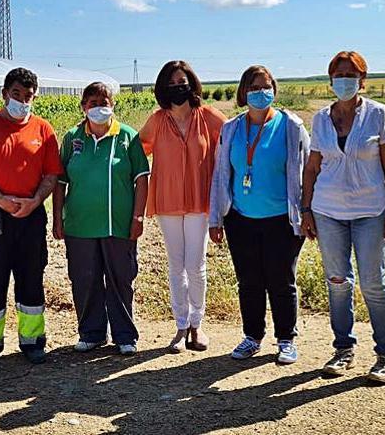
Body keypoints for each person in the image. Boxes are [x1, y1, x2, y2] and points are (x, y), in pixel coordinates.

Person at [300, 50, 385, 384]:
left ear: (362, 79)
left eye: (351, 74)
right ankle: (343, 349)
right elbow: (312, 167)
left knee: (374, 283)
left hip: (371, 210)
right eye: (338, 75)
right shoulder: (320, 119)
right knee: (338, 282)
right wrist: (306, 210)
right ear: (330, 80)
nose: (344, 80)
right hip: (328, 210)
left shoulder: (377, 114)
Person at [0, 67, 64, 367]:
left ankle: (32, 341)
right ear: (5, 93)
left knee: (31, 278)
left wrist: (35, 201)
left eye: (28, 96)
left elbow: (51, 174)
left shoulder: (43, 130)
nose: (22, 100)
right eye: (16, 94)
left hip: (30, 217)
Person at [208, 66, 311, 364]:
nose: (260, 92)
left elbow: (307, 172)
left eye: (266, 86)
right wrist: (216, 218)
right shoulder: (231, 129)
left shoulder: (291, 127)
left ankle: (286, 339)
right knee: (249, 281)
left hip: (282, 218)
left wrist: (306, 212)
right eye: (253, 87)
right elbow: (220, 175)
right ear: (243, 92)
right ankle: (252, 336)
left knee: (281, 279)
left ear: (274, 90)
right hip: (240, 218)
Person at [52, 82, 150, 356]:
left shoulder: (127, 137)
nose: (99, 107)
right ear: (83, 107)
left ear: (113, 104)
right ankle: (92, 333)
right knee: (84, 279)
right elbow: (60, 181)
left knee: (120, 279)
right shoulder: (72, 138)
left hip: (116, 224)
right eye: (92, 102)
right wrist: (57, 218)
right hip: (79, 225)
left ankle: (124, 335)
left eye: (104, 101)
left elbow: (142, 179)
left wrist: (138, 216)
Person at [139, 60, 226, 353]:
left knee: (196, 265)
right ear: (164, 88)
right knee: (176, 266)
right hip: (167, 201)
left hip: (201, 202)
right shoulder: (157, 120)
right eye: (172, 84)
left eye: (182, 82)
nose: (178, 87)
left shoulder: (209, 117)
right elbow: (136, 149)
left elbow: (231, 142)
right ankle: (179, 325)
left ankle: (196, 325)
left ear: (192, 83)